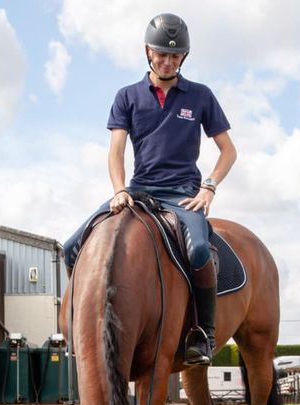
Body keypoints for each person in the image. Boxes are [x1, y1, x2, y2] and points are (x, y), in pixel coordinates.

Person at [64, 13, 237, 365]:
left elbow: (228, 151)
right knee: (70, 248)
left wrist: (209, 188)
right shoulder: (127, 96)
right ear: (148, 52)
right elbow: (116, 150)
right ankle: (79, 325)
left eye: (175, 56)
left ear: (183, 58)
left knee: (201, 251)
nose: (168, 61)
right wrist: (118, 189)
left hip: (183, 194)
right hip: (139, 190)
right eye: (162, 54)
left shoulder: (201, 96)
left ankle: (202, 334)